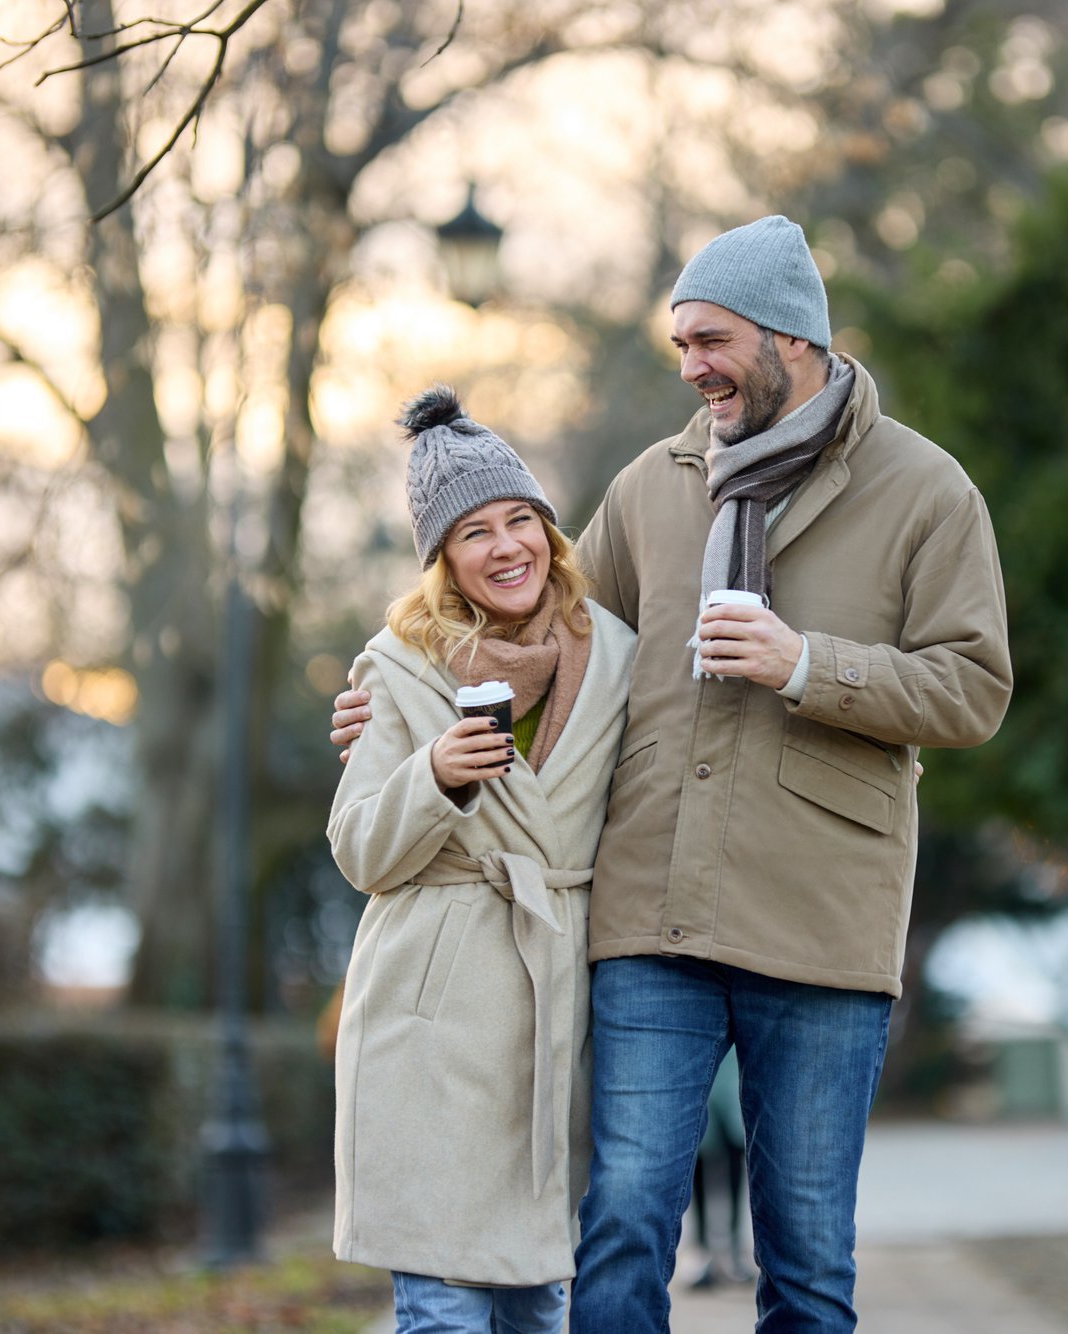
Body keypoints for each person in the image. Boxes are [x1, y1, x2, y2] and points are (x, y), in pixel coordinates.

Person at [332, 214, 1012, 1331]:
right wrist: (391, 697)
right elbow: (543, 625)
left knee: (807, 1257)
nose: (689, 366)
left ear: (790, 337)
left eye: (709, 340)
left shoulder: (925, 490)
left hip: (822, 920)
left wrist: (805, 664)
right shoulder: (654, 484)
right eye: (679, 344)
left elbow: (972, 689)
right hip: (651, 917)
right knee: (622, 1224)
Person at [325, 387, 637, 1333]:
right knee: (443, 1312)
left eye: (520, 520)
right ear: (444, 562)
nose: (507, 548)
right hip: (431, 1019)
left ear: (549, 531)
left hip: (554, 1009)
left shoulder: (616, 657)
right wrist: (434, 776)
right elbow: (358, 848)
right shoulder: (399, 664)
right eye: (475, 533)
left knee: (537, 1309)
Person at [687, 1047, 752, 1289]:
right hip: (702, 1076)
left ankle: (733, 1250)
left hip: (734, 1076)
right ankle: (701, 1250)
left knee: (736, 1161)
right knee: (697, 1163)